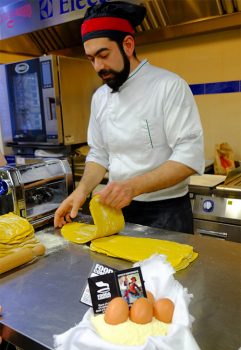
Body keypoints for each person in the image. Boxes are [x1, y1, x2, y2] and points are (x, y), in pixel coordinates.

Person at [54, 1, 204, 233]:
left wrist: (133, 187)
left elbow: (189, 156)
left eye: (103, 55)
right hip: (117, 211)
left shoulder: (169, 86)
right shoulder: (100, 97)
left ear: (128, 44)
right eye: (91, 58)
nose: (97, 66)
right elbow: (99, 153)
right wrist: (81, 191)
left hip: (167, 212)